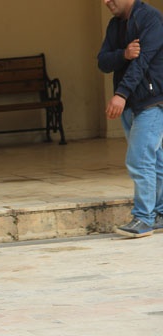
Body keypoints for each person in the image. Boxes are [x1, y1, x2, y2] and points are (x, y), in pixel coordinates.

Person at [98, 0, 163, 237]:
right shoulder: (115, 25)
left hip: (153, 101)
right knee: (153, 159)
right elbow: (103, 61)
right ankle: (161, 213)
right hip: (130, 105)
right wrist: (123, 54)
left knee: (139, 159)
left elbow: (142, 62)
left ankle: (144, 218)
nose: (106, 1)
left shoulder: (150, 19)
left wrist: (120, 94)